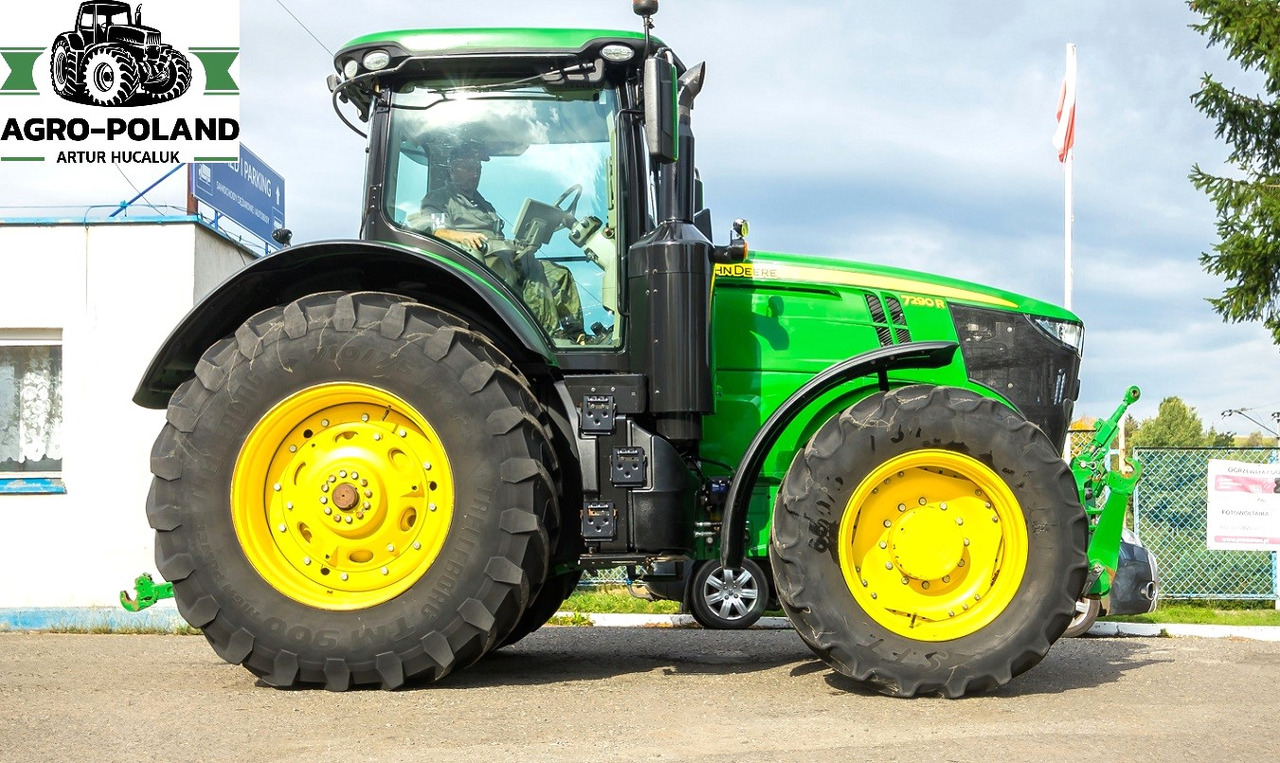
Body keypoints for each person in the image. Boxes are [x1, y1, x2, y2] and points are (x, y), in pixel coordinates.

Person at [419, 144, 586, 343]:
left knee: (559, 275)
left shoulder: (482, 204)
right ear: (453, 169)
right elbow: (435, 231)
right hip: (478, 263)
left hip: (503, 258)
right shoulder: (441, 199)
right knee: (532, 272)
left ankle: (575, 336)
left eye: (477, 169)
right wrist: (462, 236)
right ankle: (544, 339)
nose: (474, 174)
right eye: (468, 168)